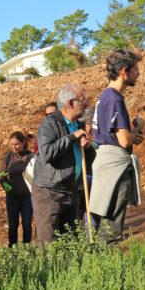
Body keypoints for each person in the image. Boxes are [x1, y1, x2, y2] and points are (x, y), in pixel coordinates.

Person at [89, 49, 145, 243]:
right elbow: (123, 141)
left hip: (106, 161)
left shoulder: (105, 97)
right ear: (124, 71)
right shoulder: (114, 98)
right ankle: (108, 263)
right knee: (112, 226)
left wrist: (132, 135)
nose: (138, 73)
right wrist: (137, 128)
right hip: (115, 167)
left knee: (107, 220)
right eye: (135, 69)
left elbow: (116, 135)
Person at [33, 84, 95, 244]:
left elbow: (88, 161)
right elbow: (47, 153)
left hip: (72, 191)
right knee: (49, 245)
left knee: (71, 243)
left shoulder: (79, 124)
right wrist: (72, 137)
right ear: (71, 103)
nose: (87, 104)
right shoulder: (49, 124)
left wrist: (88, 147)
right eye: (83, 100)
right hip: (49, 193)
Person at [0, 131, 34, 246]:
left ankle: (26, 248)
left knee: (26, 222)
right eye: (11, 145)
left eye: (17, 144)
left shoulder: (31, 157)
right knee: (13, 223)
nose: (14, 147)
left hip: (27, 196)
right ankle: (12, 248)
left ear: (23, 143)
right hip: (12, 196)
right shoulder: (8, 157)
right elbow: (2, 174)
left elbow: (35, 174)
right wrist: (4, 184)